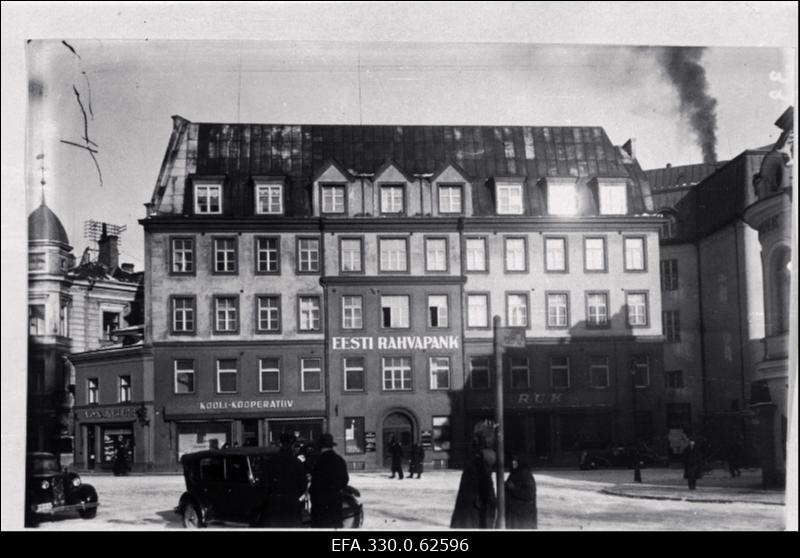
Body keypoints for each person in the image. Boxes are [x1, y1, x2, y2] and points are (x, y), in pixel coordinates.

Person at [263, 433, 308, 527]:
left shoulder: (271, 462)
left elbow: (265, 484)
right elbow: (303, 484)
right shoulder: (297, 463)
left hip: (274, 504)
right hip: (292, 504)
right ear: (292, 446)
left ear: (280, 444)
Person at [450, 448, 497, 529]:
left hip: (464, 511)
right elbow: (489, 494)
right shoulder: (483, 472)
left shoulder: (471, 468)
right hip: (474, 512)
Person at [309, 433, 349, 528]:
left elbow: (314, 483)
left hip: (320, 505)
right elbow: (345, 480)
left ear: (320, 446)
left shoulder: (318, 461)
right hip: (334, 503)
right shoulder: (339, 460)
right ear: (331, 446)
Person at [505, 455, 537, 529]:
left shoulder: (525, 474)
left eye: (515, 461)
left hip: (522, 515)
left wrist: (513, 489)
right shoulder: (515, 473)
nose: (513, 463)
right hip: (515, 513)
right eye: (512, 460)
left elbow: (530, 494)